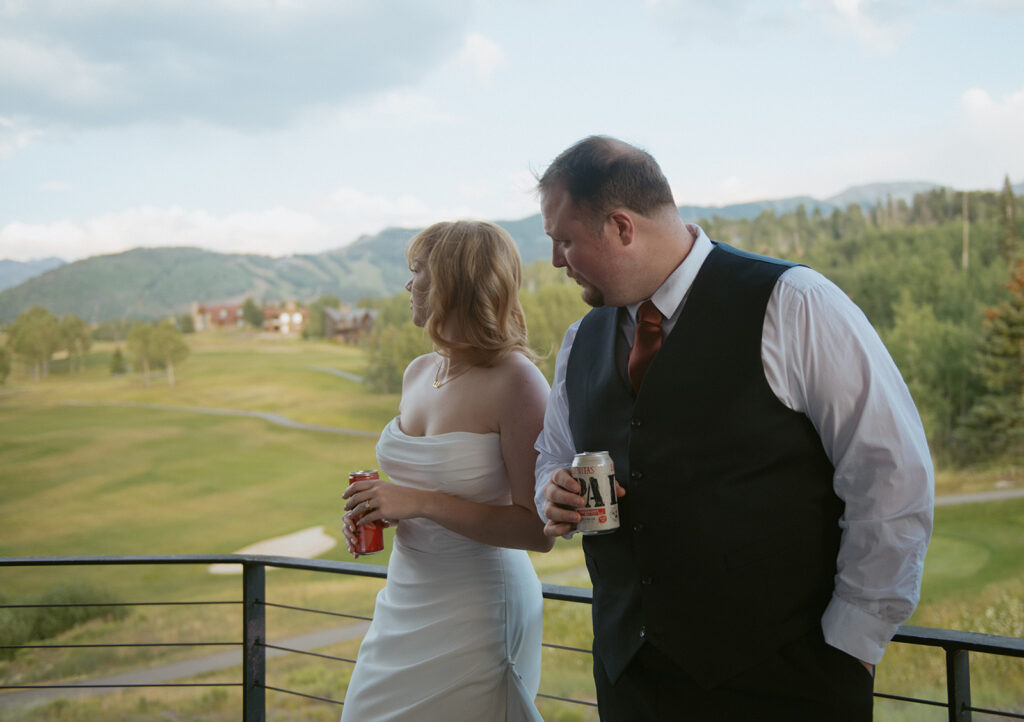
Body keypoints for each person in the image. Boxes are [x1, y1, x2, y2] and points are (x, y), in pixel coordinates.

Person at [533, 136, 934, 721]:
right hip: (630, 683)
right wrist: (554, 488)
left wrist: (854, 643)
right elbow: (553, 455)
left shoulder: (795, 302)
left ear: (621, 226)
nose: (555, 261)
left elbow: (890, 475)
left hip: (787, 684)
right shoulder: (579, 343)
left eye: (563, 240)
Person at [340, 220, 553, 721]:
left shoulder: (517, 381)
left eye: (418, 273)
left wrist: (416, 502)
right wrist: (379, 510)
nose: (408, 286)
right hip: (406, 595)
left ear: (454, 284)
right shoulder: (418, 372)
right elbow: (412, 492)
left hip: (479, 605)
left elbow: (538, 530)